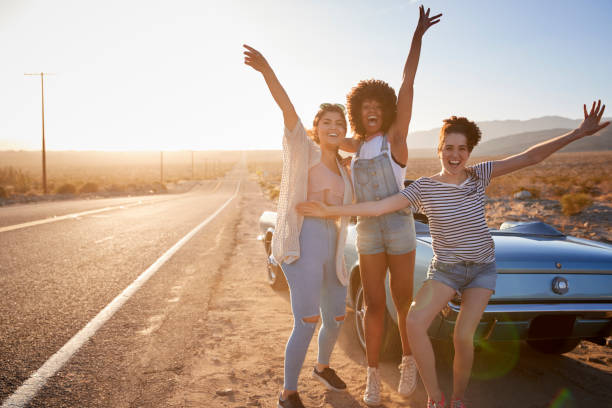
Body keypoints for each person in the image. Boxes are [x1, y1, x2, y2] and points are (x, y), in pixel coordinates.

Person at [297, 101, 609, 408]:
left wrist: (578, 133)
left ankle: (457, 399)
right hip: (445, 270)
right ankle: (434, 396)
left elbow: (531, 156)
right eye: (448, 147)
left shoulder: (479, 175)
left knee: (462, 338)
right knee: (416, 322)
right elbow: (378, 207)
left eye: (461, 149)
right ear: (439, 150)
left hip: (481, 270)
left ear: (469, 152)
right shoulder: (424, 187)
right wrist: (330, 211)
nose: (455, 155)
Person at [337, 5, 441, 405]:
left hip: (398, 226)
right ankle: (373, 376)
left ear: (387, 109)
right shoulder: (356, 146)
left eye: (378, 106)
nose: (372, 111)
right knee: (373, 306)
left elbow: (407, 83)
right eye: (365, 108)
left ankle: (410, 361)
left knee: (402, 301)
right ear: (358, 112)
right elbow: (317, 135)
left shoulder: (395, 139)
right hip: (367, 229)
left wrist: (417, 37)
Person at [243, 44, 355, 408]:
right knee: (307, 320)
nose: (334, 128)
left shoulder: (345, 169)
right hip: (303, 246)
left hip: (333, 248)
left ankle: (322, 367)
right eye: (327, 123)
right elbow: (288, 111)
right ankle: (288, 392)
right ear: (316, 128)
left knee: (336, 316)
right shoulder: (303, 152)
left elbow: (347, 209)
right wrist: (267, 72)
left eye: (340, 124)